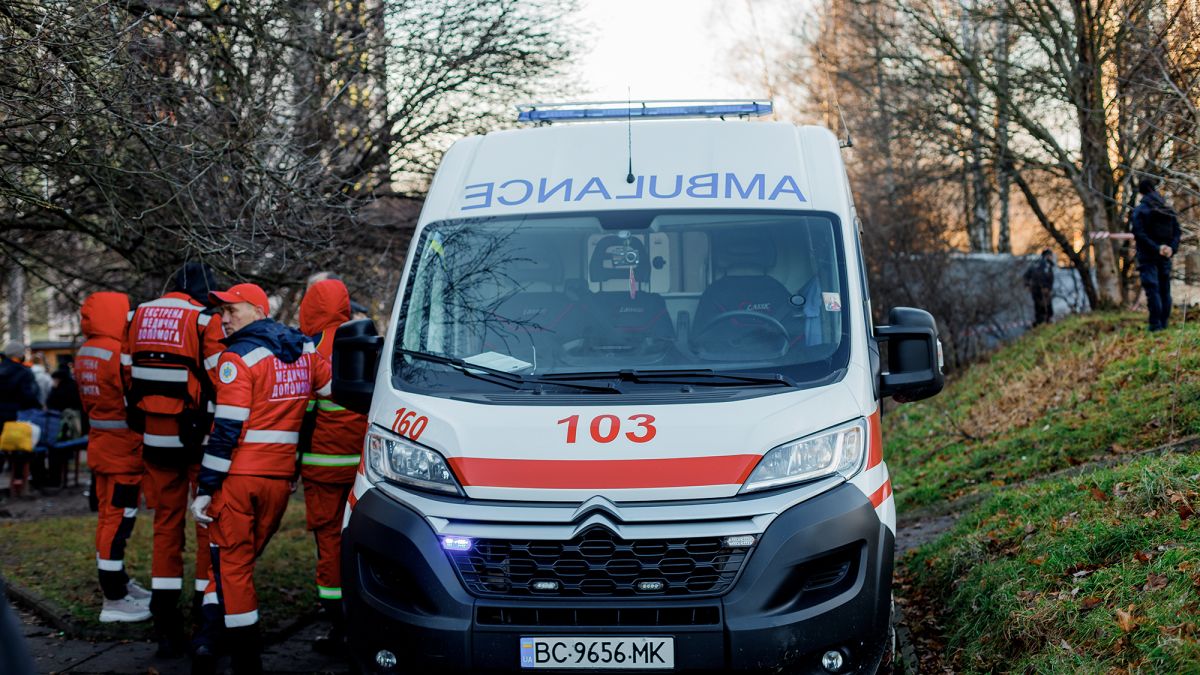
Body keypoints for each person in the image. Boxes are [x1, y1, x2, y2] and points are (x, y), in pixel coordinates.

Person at [190, 283, 331, 675]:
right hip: (279, 479)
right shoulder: (303, 349)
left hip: (239, 479)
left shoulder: (237, 358)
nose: (224, 321)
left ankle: (245, 660)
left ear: (256, 309)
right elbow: (333, 389)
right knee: (239, 560)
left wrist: (205, 489)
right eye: (220, 314)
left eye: (231, 311)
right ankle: (209, 637)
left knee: (232, 567)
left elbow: (227, 429)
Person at [125, 262, 224, 656]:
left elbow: (124, 374)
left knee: (165, 525)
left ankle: (166, 625)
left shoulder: (136, 315)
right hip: (198, 439)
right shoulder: (203, 321)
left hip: (153, 438)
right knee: (205, 526)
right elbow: (221, 380)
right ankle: (203, 619)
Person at [297, 280, 366, 654]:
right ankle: (363, 618)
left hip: (322, 468)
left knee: (328, 544)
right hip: (362, 468)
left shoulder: (308, 351)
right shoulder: (365, 341)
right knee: (359, 542)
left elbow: (303, 415)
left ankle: (337, 626)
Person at [76, 292, 152, 622]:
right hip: (124, 450)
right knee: (118, 520)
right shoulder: (116, 352)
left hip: (102, 447)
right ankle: (115, 599)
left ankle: (118, 582)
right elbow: (135, 393)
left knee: (110, 516)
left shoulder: (86, 352)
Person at [1130, 177, 1182, 331]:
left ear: (1141, 192)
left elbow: (1139, 234)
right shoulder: (1167, 209)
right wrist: (1170, 248)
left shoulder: (1140, 211)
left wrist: (1156, 248)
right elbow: (1177, 233)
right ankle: (1164, 324)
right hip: (1165, 256)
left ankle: (1155, 325)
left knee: (1153, 290)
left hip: (1148, 257)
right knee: (1164, 290)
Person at [1, 341, 41, 490]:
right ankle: (19, 479)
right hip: (17, 417)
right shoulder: (23, 372)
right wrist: (38, 406)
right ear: (19, 355)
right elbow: (28, 395)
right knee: (20, 448)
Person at [1022, 249, 1056, 326]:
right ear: (1047, 256)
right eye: (1051, 256)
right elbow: (1040, 276)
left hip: (1040, 290)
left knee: (1043, 309)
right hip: (1039, 290)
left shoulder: (1045, 265)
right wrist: (1045, 287)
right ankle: (1042, 324)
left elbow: (1050, 278)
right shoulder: (1043, 265)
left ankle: (1044, 323)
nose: (1052, 257)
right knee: (1042, 309)